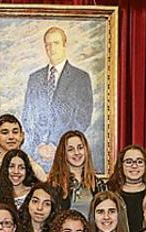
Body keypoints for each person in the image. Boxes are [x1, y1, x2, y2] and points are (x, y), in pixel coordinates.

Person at [22, 26, 93, 167]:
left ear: (64, 45)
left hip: (67, 154)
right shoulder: (34, 78)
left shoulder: (80, 78)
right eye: (47, 44)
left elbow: (83, 117)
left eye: (55, 43)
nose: (51, 48)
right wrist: (39, 145)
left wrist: (58, 144)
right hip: (37, 155)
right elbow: (27, 115)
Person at [47, 131, 107, 216]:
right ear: (63, 154)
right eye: (70, 149)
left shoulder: (98, 184)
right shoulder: (55, 184)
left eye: (80, 148)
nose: (76, 152)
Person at [107, 145, 146, 232]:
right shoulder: (110, 192)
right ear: (121, 165)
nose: (134, 166)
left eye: (139, 162)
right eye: (129, 162)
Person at [0, 114, 47, 182]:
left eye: (15, 132)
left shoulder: (33, 168)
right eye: (5, 133)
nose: (11, 137)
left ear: (21, 136)